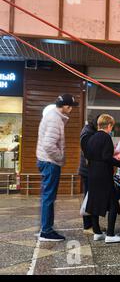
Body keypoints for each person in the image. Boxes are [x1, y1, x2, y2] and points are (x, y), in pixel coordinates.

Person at [36, 94, 78, 242]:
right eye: (71, 106)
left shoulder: (52, 116)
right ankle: (46, 231)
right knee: (49, 197)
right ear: (65, 106)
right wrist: (60, 158)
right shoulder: (55, 119)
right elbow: (48, 145)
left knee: (47, 196)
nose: (72, 109)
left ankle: (45, 228)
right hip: (50, 162)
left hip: (45, 161)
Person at [85, 114, 120, 244]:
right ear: (109, 126)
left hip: (92, 173)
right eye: (111, 126)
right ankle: (110, 234)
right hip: (103, 174)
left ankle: (97, 232)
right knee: (113, 203)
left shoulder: (91, 138)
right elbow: (107, 157)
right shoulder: (106, 137)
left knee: (94, 202)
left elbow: (90, 156)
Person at [78, 116, 99, 232]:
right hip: (88, 171)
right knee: (89, 198)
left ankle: (91, 225)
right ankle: (88, 226)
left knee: (89, 197)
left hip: (87, 170)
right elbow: (88, 152)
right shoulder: (88, 133)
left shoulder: (89, 131)